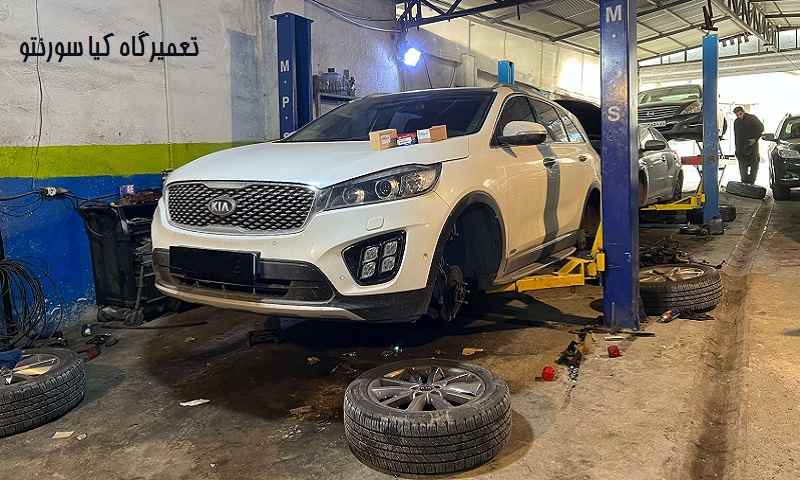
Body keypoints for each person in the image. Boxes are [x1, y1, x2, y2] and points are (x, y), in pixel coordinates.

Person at [733, 106, 764, 184]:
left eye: (740, 114)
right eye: (737, 115)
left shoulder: (752, 118)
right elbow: (736, 136)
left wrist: (755, 139)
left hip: (752, 146)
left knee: (754, 165)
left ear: (743, 112)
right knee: (742, 168)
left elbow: (761, 128)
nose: (739, 116)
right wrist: (737, 150)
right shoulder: (736, 122)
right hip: (741, 147)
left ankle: (752, 182)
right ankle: (744, 182)